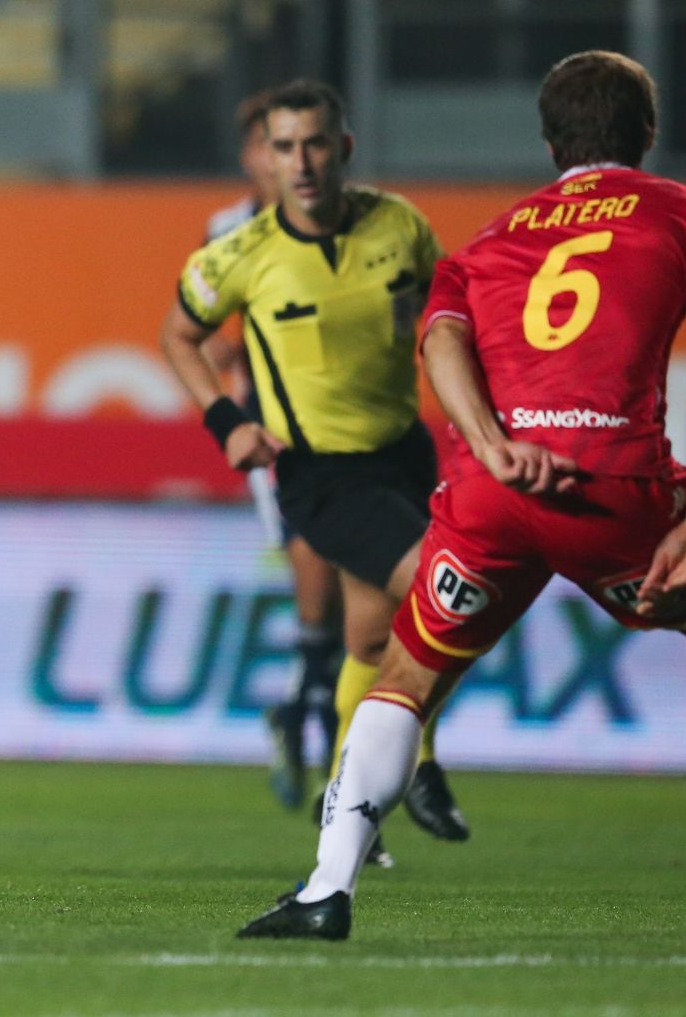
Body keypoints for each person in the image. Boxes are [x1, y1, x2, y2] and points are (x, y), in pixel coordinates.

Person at [238, 51, 686, 945]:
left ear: (548, 140)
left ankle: (327, 889)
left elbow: (439, 339)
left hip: (496, 495)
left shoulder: (490, 240)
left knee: (407, 678)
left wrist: (492, 446)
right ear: (646, 131)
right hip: (620, 494)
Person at [161, 80, 471, 863]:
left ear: (344, 148)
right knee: (450, 596)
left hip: (402, 452)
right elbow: (178, 336)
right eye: (285, 147)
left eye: (316, 144)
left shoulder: (400, 225)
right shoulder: (239, 252)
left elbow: (442, 320)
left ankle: (345, 804)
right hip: (318, 475)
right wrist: (226, 422)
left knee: (368, 641)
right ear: (266, 156)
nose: (301, 163)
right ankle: (419, 766)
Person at [205, 89, 349, 814]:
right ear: (252, 156)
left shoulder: (351, 222)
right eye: (272, 145)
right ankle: (323, 728)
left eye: (298, 144)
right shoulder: (230, 228)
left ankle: (301, 706)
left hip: (349, 423)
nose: (285, 159)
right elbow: (194, 325)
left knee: (354, 595)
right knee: (316, 562)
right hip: (276, 428)